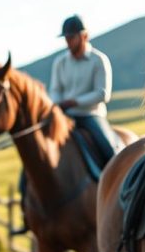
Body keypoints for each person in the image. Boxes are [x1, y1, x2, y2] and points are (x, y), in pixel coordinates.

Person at [49, 14, 119, 162]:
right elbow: (55, 89)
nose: (68, 43)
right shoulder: (60, 62)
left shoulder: (98, 60)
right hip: (65, 114)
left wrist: (74, 102)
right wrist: (57, 104)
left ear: (84, 36)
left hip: (91, 115)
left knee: (111, 150)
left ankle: (120, 177)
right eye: (66, 39)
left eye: (71, 38)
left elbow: (102, 94)